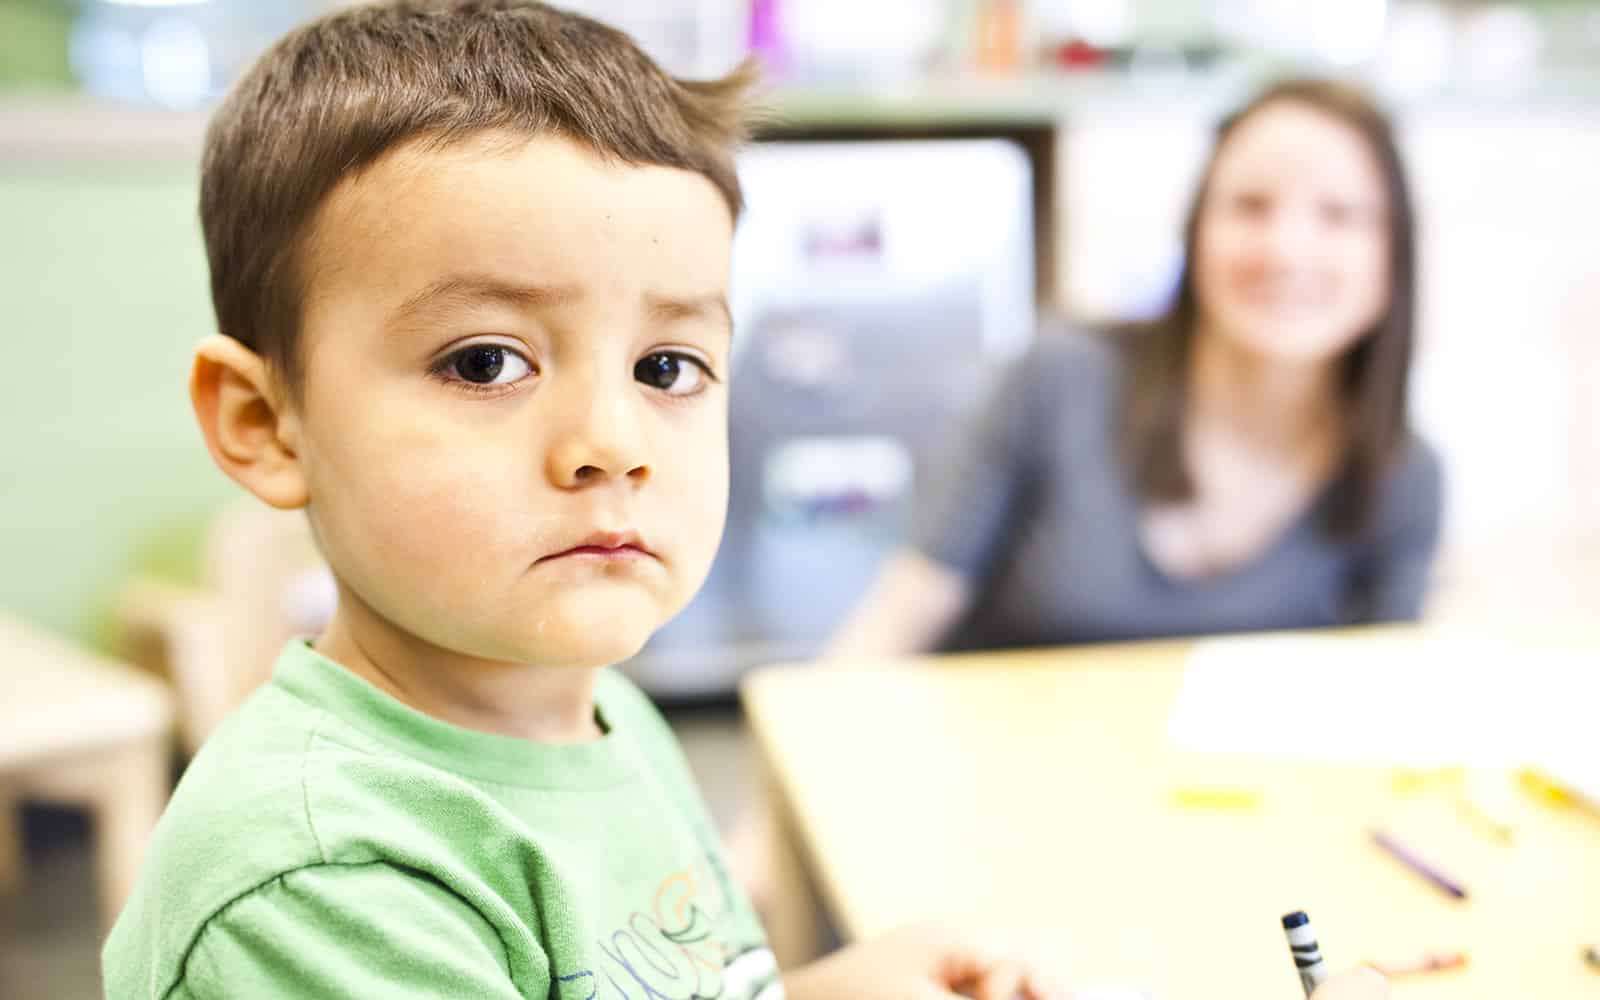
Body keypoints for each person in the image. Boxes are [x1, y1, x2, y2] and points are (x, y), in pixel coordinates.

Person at [100, 5, 1389, 997]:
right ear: (268, 424)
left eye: (669, 367)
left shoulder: (603, 717)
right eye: (486, 361)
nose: (611, 444)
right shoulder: (328, 883)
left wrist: (847, 983)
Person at [826, 78, 1443, 658]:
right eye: (1251, 206)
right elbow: (898, 617)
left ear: (1395, 254)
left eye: (1338, 214)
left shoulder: (1403, 476)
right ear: (1195, 230)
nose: (1285, 249)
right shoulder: (1060, 377)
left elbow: (1382, 704)